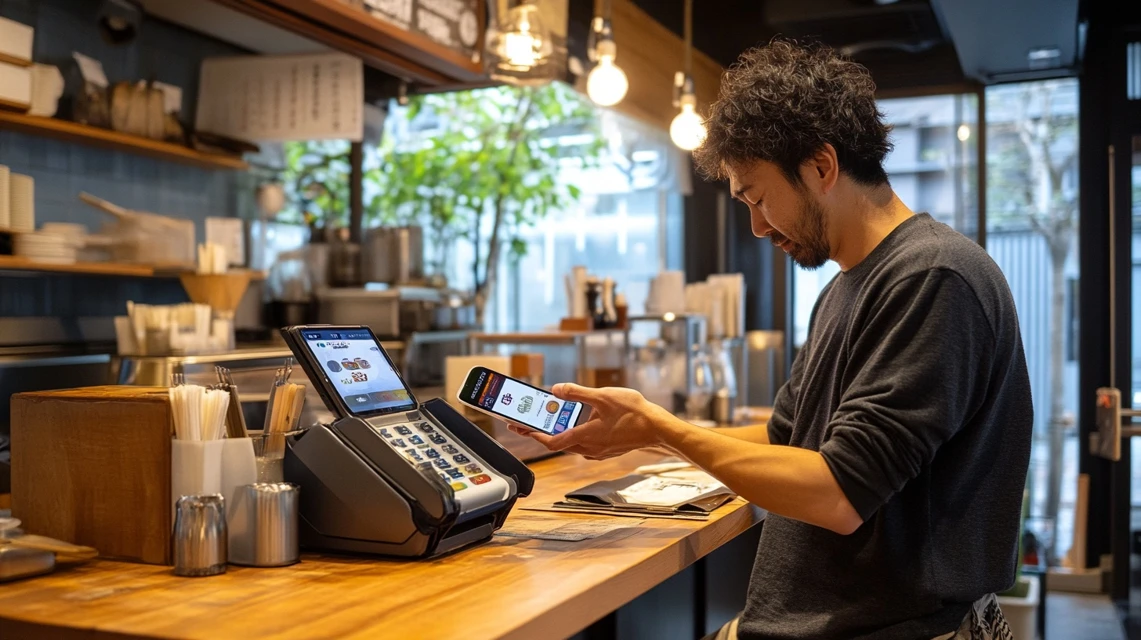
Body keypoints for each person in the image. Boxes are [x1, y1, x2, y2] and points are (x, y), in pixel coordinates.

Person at [510, 39, 1032, 640]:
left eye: (758, 198)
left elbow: (839, 492)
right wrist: (642, 437)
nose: (757, 226)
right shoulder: (849, 286)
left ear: (821, 166)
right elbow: (785, 439)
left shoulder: (934, 279)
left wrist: (662, 427)